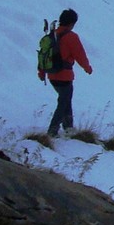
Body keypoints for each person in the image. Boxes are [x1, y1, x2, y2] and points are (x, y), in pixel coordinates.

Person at [38, 8, 92, 136]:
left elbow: (43, 55)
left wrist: (42, 72)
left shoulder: (52, 35)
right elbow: (79, 54)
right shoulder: (71, 37)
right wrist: (87, 67)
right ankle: (52, 130)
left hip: (52, 75)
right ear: (72, 23)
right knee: (63, 102)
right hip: (65, 75)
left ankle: (68, 127)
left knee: (66, 99)